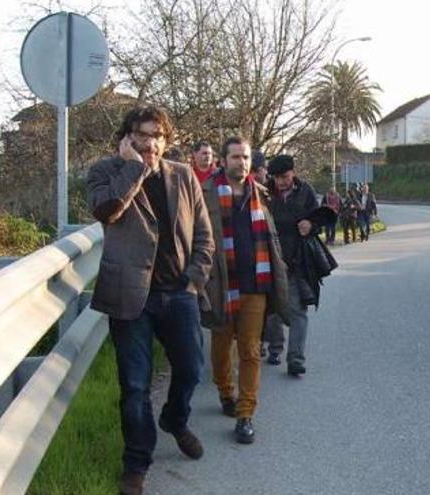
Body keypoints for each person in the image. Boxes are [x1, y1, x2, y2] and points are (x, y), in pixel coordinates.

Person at [86, 105, 214, 495]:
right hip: (130, 298)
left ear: (166, 139)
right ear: (127, 137)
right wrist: (134, 169)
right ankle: (137, 462)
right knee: (135, 387)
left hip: (179, 294)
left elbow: (205, 236)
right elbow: (107, 211)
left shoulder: (183, 175)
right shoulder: (105, 172)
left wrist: (193, 281)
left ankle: (175, 420)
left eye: (157, 135)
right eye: (141, 135)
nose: (150, 143)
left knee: (191, 369)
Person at [200, 136, 289, 445]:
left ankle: (246, 413)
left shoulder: (261, 195)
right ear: (223, 161)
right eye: (235, 156)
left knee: (250, 350)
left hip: (255, 284)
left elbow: (272, 239)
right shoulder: (205, 193)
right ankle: (226, 390)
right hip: (221, 283)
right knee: (222, 345)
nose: (241, 162)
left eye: (246, 157)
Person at [263, 154, 318, 376]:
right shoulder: (264, 193)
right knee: (273, 310)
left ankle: (296, 358)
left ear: (293, 173)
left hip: (298, 260)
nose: (282, 182)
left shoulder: (306, 192)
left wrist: (311, 225)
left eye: (285, 177)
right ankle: (276, 347)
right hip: (271, 259)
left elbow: (320, 219)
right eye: (277, 178)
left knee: (298, 311)